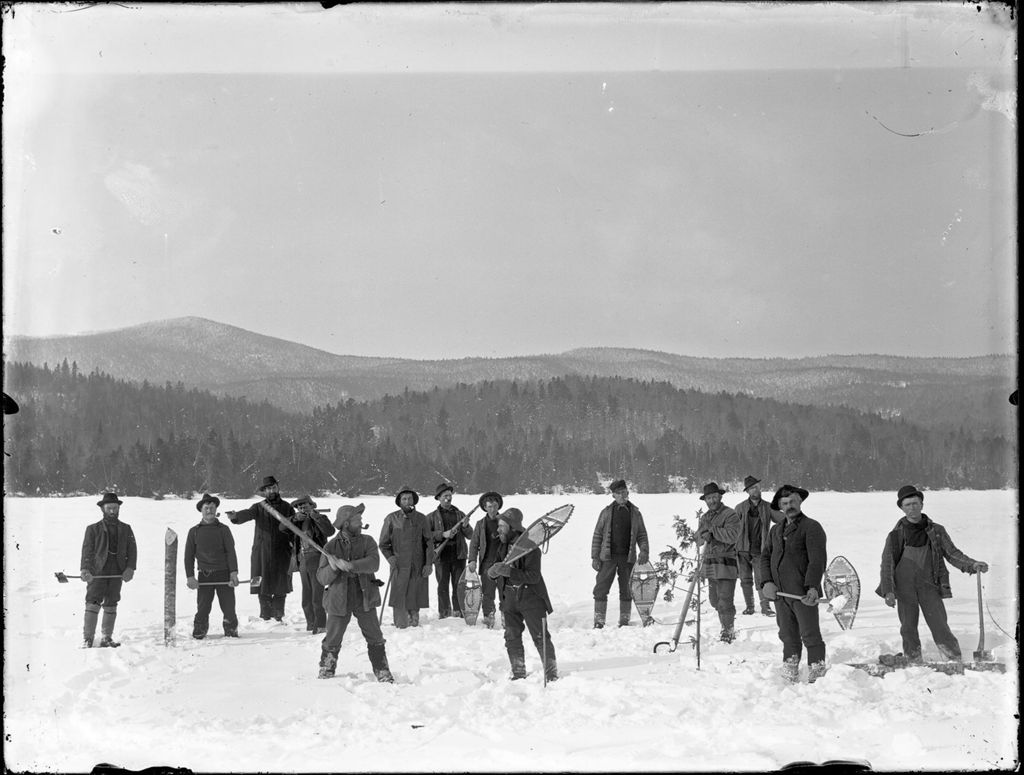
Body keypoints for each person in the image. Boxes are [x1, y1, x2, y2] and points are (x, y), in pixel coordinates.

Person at [875, 485, 989, 663]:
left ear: (921, 504)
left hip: (929, 585)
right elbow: (887, 565)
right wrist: (888, 591)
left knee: (939, 624)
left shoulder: (936, 531)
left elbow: (952, 553)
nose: (912, 507)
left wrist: (971, 565)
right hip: (904, 589)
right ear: (901, 508)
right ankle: (913, 658)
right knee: (908, 627)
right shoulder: (895, 536)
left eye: (915, 503)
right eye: (907, 505)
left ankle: (953, 657)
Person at [317, 503, 394, 682]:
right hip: (338, 598)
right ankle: (327, 667)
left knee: (375, 636)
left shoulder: (368, 541)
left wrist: (351, 565)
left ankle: (382, 670)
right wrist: (333, 568)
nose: (361, 523)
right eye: (357, 520)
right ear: (345, 523)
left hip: (364, 596)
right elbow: (321, 578)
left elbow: (374, 563)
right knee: (333, 637)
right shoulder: (330, 548)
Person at [759, 484, 828, 683]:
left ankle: (816, 670)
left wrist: (812, 587)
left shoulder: (811, 527)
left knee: (810, 633)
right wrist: (766, 582)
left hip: (803, 593)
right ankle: (790, 666)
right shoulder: (776, 530)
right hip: (780, 594)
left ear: (800, 502)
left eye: (793, 502)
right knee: (787, 634)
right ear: (780, 507)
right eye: (785, 503)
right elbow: (765, 557)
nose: (789, 506)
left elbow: (817, 560)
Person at [487, 508, 557, 682]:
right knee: (511, 636)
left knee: (540, 637)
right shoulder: (502, 546)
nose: (498, 530)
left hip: (531, 598)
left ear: (512, 527)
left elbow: (534, 576)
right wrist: (493, 572)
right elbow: (497, 567)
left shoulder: (531, 548)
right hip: (509, 599)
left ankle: (551, 673)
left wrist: (510, 572)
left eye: (502, 526)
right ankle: (518, 672)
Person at [226, 475, 297, 622]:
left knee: (280, 583)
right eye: (268, 489)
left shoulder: (287, 508)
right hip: (261, 552)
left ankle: (278, 615)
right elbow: (247, 514)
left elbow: (295, 529)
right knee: (261, 582)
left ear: (278, 488)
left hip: (282, 552)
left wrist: (293, 546)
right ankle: (265, 615)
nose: (271, 490)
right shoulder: (259, 507)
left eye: (274, 487)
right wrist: (235, 517)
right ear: (264, 491)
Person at [79, 492, 138, 648]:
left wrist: (130, 568)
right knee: (92, 601)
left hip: (117, 572)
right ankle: (88, 638)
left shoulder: (126, 529)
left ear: (118, 509)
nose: (112, 511)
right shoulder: (92, 529)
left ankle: (106, 638)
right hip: (97, 571)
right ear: (103, 509)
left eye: (115, 508)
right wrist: (85, 569)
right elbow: (87, 550)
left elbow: (132, 551)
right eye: (109, 508)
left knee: (112, 602)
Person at [590, 479, 650, 628]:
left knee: (627, 589)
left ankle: (624, 620)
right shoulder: (606, 513)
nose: (623, 495)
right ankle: (599, 621)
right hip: (607, 558)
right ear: (613, 496)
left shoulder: (635, 513)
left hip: (627, 558)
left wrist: (644, 550)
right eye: (619, 493)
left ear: (628, 493)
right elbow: (597, 535)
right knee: (601, 588)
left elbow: (642, 535)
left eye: (625, 492)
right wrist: (595, 557)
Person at [185, 493, 240, 639]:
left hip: (224, 574)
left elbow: (231, 552)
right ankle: (199, 630)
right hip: (204, 575)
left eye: (212, 507)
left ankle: (231, 630)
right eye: (206, 508)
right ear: (201, 510)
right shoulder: (194, 531)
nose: (209, 510)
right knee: (203, 607)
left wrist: (233, 572)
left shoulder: (224, 530)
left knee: (228, 607)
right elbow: (188, 556)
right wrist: (190, 577)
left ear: (216, 510)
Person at [379, 486, 433, 628]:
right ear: (399, 501)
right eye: (404, 498)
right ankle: (400, 621)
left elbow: (429, 542)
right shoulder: (391, 519)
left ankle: (414, 617)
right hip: (399, 562)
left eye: (409, 498)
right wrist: (390, 557)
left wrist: (428, 563)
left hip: (418, 562)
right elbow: (383, 544)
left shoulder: (421, 519)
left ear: (414, 500)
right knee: (399, 591)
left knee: (415, 590)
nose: (407, 500)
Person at [696, 482, 742, 643]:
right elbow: (698, 540)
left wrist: (713, 532)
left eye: (714, 497)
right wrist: (702, 535)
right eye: (709, 498)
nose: (712, 500)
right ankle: (725, 619)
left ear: (720, 497)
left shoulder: (730, 515)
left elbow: (733, 535)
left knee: (725, 599)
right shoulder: (705, 517)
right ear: (705, 500)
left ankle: (728, 630)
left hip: (726, 562)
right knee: (714, 600)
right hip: (709, 562)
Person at [734, 475, 783, 617]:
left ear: (760, 487)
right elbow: (732, 527)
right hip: (742, 549)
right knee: (745, 580)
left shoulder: (768, 507)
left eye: (756, 487)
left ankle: (765, 607)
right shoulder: (740, 508)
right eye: (751, 488)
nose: (755, 490)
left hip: (760, 550)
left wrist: (796, 520)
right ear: (747, 492)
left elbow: (783, 520)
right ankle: (750, 607)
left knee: (762, 580)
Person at [289, 494, 336, 634]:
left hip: (317, 558)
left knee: (317, 595)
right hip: (303, 560)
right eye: (299, 507)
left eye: (305, 505)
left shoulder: (320, 518)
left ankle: (320, 625)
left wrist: (315, 517)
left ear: (312, 506)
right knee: (306, 596)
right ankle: (311, 623)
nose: (303, 508)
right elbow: (282, 528)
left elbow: (330, 531)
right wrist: (294, 518)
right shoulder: (296, 521)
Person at [426, 482, 473, 619]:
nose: (448, 498)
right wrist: (443, 535)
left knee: (459, 585)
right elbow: (427, 536)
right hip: (441, 556)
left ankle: (459, 612)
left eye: (449, 495)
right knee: (442, 586)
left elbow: (470, 535)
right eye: (445, 496)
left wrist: (465, 526)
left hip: (458, 555)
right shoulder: (431, 517)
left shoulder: (460, 514)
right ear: (439, 498)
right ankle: (445, 613)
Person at [467, 491, 505, 628]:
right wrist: (472, 560)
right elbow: (474, 544)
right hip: (487, 564)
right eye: (489, 506)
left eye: (495, 506)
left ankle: (507, 616)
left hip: (503, 563)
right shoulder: (480, 524)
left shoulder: (506, 521)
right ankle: (489, 616)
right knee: (488, 594)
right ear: (485, 507)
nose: (492, 509)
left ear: (498, 505)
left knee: (504, 592)